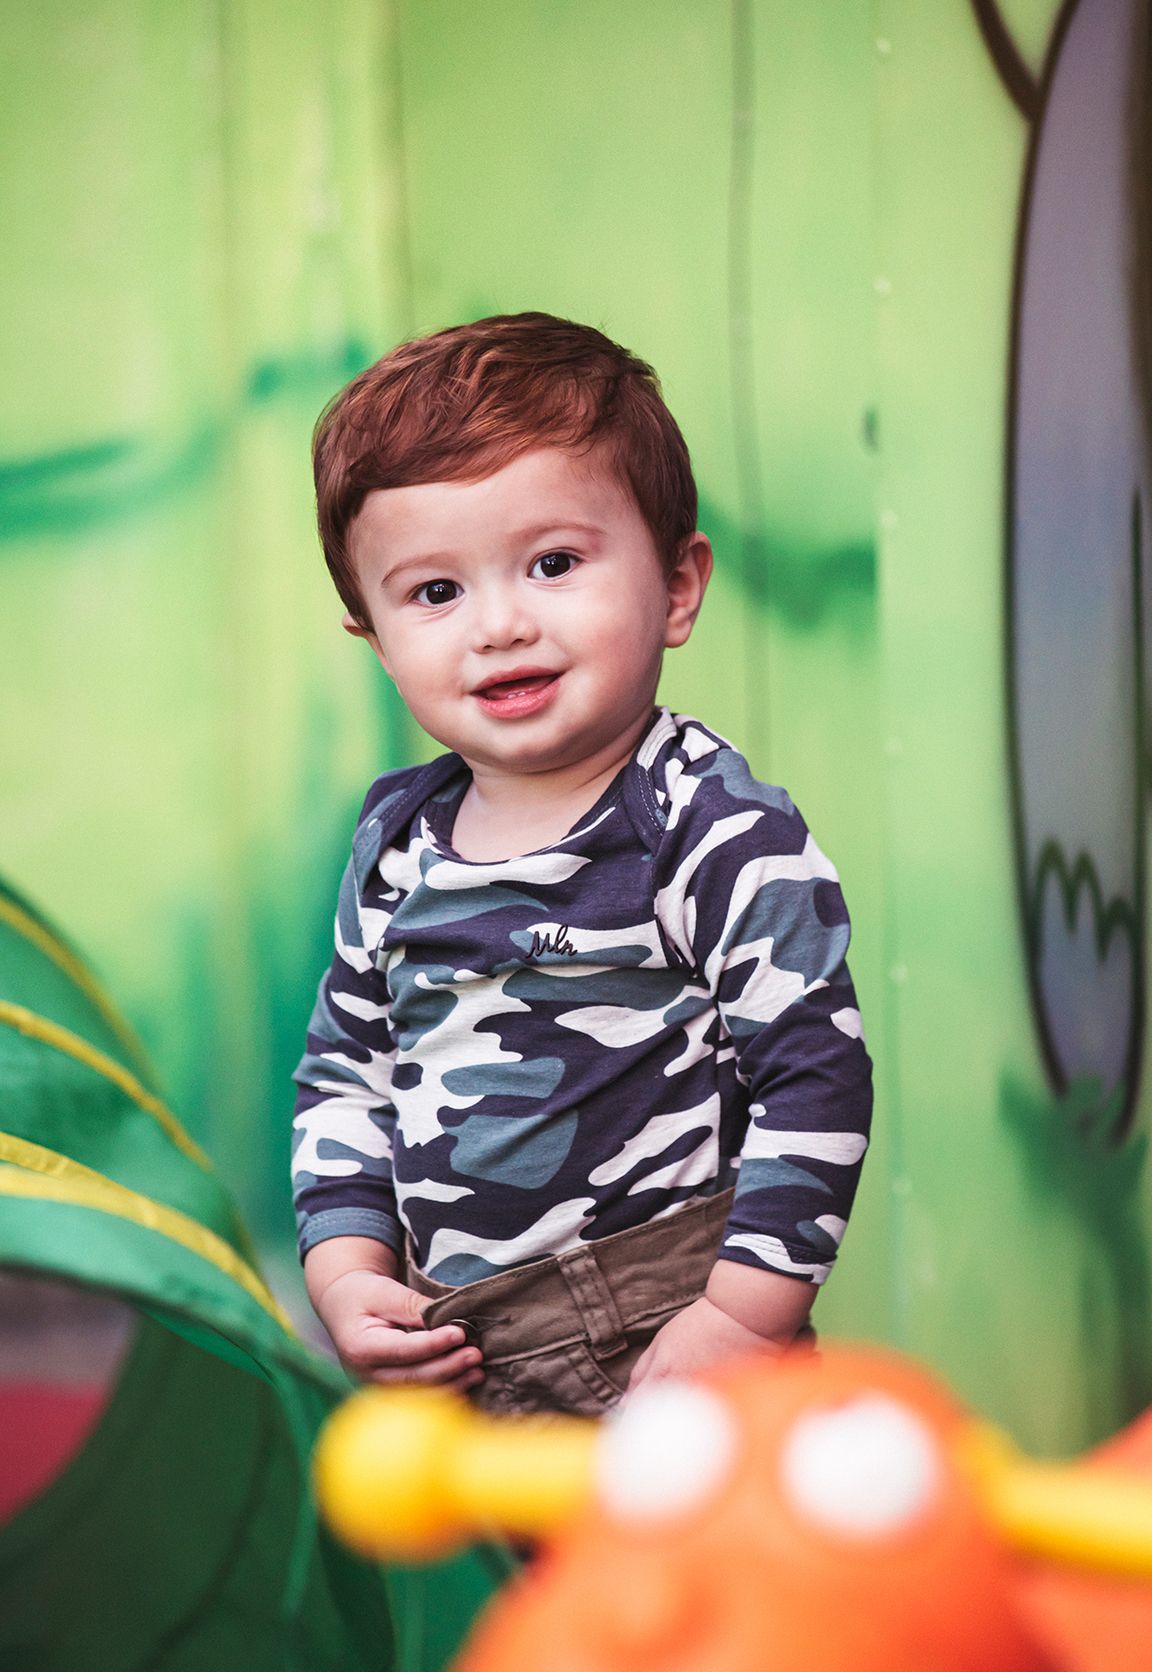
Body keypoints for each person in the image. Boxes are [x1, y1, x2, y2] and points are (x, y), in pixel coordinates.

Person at [293, 313, 873, 1414]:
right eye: (434, 593)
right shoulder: (395, 845)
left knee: (696, 1589)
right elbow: (345, 1078)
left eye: (554, 563)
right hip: (449, 1353)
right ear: (373, 636)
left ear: (677, 587)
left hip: (663, 1332)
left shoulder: (706, 826)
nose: (500, 625)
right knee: (502, 1597)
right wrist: (347, 1272)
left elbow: (816, 1072)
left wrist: (744, 1316)